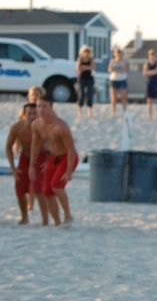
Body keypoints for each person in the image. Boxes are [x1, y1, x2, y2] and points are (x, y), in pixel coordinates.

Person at [29, 95, 78, 228]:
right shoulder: (36, 125)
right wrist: (32, 166)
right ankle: (57, 222)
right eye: (39, 106)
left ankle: (67, 215)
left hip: (68, 157)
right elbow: (35, 145)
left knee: (56, 185)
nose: (41, 109)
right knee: (46, 191)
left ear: (51, 108)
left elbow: (71, 149)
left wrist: (69, 171)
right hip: (54, 157)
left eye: (45, 106)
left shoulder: (60, 126)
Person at [5, 104, 47, 225]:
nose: (32, 116)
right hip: (25, 157)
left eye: (35, 114)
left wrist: (48, 161)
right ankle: (25, 217)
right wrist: (12, 167)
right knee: (19, 189)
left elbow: (55, 144)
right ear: (24, 115)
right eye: (29, 114)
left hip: (40, 158)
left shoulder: (44, 127)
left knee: (38, 188)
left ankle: (45, 220)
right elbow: (8, 146)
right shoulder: (17, 128)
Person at [107, 47, 128, 116]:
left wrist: (115, 70)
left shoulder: (124, 61)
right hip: (113, 79)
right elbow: (110, 69)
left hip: (122, 79)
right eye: (116, 52)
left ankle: (124, 111)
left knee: (123, 97)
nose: (118, 54)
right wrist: (118, 70)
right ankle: (113, 112)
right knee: (113, 97)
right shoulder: (112, 61)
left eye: (119, 52)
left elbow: (123, 70)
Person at [75, 45, 95, 118]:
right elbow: (78, 68)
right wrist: (86, 68)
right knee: (81, 94)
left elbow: (92, 67)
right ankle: (80, 109)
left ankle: (90, 109)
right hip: (82, 78)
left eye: (88, 52)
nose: (87, 53)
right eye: (85, 51)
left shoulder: (91, 59)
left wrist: (83, 67)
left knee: (90, 93)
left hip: (89, 78)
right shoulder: (80, 59)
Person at [143, 49, 157, 121]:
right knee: (149, 100)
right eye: (151, 54)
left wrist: (149, 72)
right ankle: (149, 116)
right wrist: (152, 72)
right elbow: (144, 72)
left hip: (156, 83)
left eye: (153, 54)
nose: (152, 56)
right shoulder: (146, 64)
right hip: (149, 82)